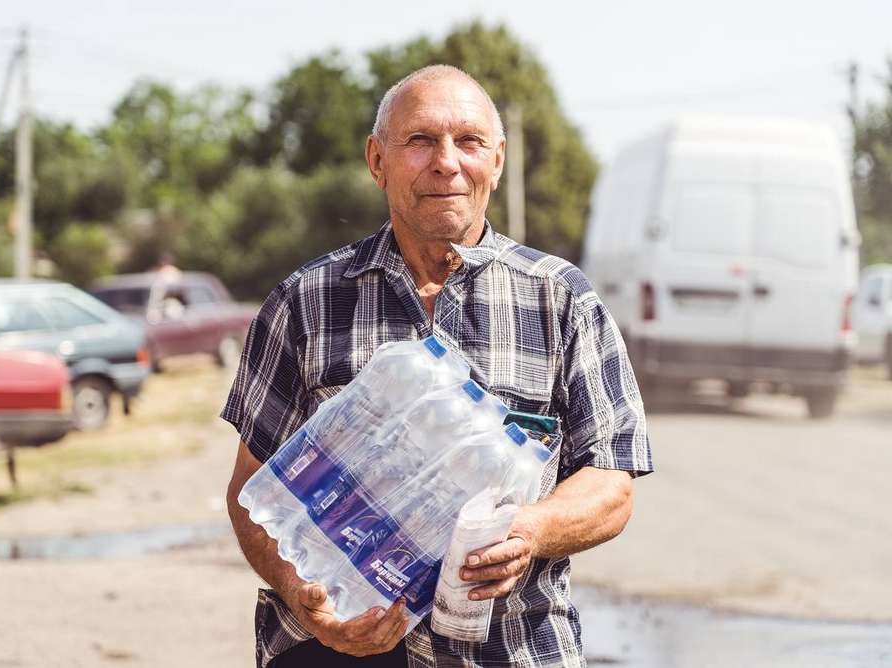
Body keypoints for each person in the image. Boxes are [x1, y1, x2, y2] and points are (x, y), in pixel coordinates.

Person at [224, 65, 653, 668]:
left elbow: (611, 485)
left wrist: (530, 530)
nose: (447, 162)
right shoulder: (306, 301)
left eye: (469, 141)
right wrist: (301, 597)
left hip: (510, 648)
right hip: (327, 652)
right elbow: (252, 489)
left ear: (497, 161)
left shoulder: (562, 299)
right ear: (378, 161)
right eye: (420, 141)